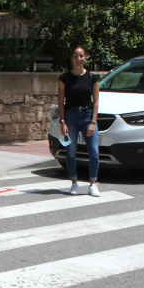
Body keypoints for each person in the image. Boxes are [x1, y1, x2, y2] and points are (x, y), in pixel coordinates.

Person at [57, 46, 102, 196]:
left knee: (94, 152)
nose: (78, 59)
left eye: (81, 56)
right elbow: (61, 102)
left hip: (88, 115)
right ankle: (74, 183)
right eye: (76, 56)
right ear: (71, 58)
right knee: (70, 151)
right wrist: (62, 122)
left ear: (85, 58)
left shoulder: (92, 78)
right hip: (71, 115)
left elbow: (95, 102)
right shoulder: (64, 78)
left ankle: (93, 183)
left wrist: (93, 122)